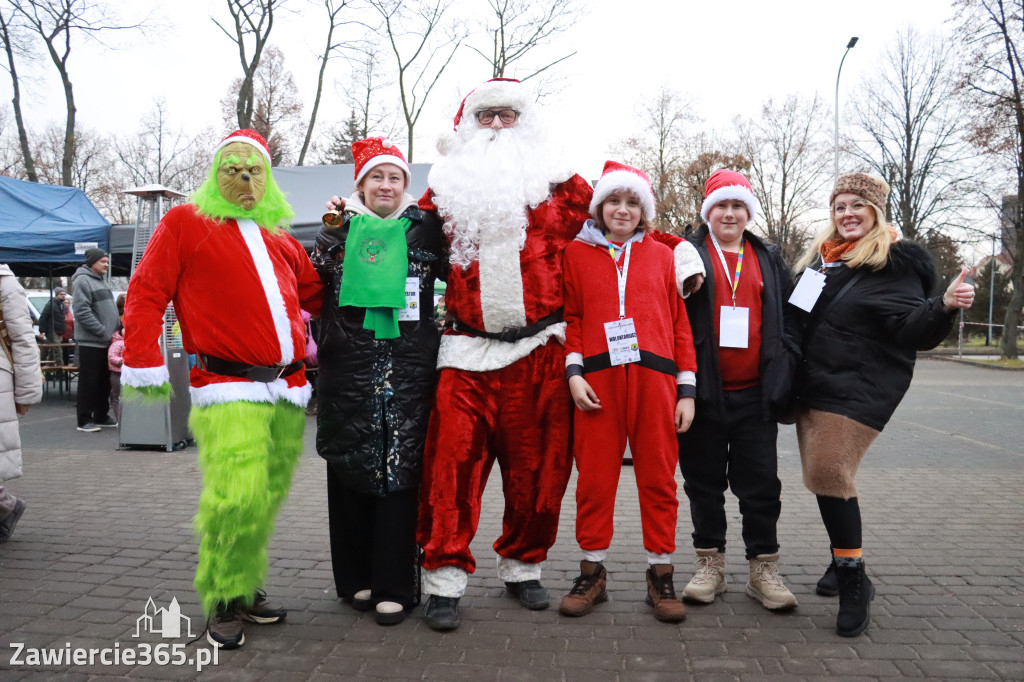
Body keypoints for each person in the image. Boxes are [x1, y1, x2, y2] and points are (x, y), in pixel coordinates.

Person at [412, 78, 704, 631]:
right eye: (488, 115)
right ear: (469, 125)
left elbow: (624, 219)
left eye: (508, 115)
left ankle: (523, 567)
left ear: (527, 123)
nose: (498, 126)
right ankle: (444, 578)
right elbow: (395, 232)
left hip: (542, 352)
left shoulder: (562, 188)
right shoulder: (445, 190)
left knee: (539, 473)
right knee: (451, 470)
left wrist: (680, 252)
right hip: (466, 351)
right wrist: (349, 215)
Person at [121, 129, 323, 650]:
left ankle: (245, 584)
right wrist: (145, 363)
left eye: (255, 170)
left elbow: (317, 294)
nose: (245, 179)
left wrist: (357, 247)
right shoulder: (185, 222)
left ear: (269, 177)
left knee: (267, 497)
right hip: (226, 386)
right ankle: (222, 599)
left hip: (288, 390)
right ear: (216, 174)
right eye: (233, 169)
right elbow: (146, 291)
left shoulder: (278, 236)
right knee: (236, 497)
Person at [789, 172, 975, 637]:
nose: (847, 214)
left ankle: (855, 579)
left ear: (875, 212)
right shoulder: (821, 263)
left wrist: (944, 306)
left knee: (830, 472)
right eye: (839, 206)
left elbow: (911, 326)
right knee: (824, 476)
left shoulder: (893, 262)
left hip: (858, 388)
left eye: (857, 205)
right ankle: (841, 560)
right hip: (813, 386)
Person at [312, 137, 445, 626]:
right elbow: (313, 285)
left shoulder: (427, 231)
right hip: (348, 370)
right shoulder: (335, 232)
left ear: (405, 186)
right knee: (350, 468)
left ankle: (395, 584)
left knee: (401, 473)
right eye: (377, 177)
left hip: (410, 371)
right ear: (361, 186)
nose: (386, 185)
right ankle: (357, 580)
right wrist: (343, 225)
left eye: (395, 177)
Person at [558, 162, 696, 623]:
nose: (622, 209)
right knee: (595, 479)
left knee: (658, 479)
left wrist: (686, 390)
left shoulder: (663, 255)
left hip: (655, 381)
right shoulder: (575, 255)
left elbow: (680, 325)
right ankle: (591, 572)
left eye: (632, 202)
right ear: (599, 207)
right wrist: (574, 373)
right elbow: (572, 318)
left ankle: (660, 575)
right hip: (597, 382)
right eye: (613, 201)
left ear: (644, 210)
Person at [673, 169, 800, 612]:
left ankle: (763, 569)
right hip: (701, 395)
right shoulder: (686, 254)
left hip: (755, 395)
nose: (729, 213)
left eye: (737, 206)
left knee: (761, 487)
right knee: (703, 485)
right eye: (721, 206)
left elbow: (794, 314)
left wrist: (788, 364)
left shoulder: (767, 256)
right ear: (708, 212)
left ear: (748, 212)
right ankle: (710, 565)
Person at [0, 264, 43, 543]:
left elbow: (23, 339)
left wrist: (26, 393)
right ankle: (6, 506)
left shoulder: (5, 282)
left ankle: (6, 507)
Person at [71, 248, 119, 433]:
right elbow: (81, 311)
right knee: (88, 382)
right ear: (92, 262)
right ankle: (84, 420)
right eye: (102, 261)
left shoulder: (101, 281)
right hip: (91, 342)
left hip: (106, 341)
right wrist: (101, 330)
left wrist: (116, 328)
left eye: (107, 261)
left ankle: (101, 416)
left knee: (103, 382)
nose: (106, 264)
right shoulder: (83, 280)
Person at [37, 287, 67, 365]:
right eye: (61, 294)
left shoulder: (62, 305)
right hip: (51, 330)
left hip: (59, 330)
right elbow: (43, 317)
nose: (63, 296)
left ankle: (50, 368)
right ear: (56, 295)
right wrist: (42, 331)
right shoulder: (50, 305)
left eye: (64, 294)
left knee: (52, 350)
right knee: (57, 350)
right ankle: (60, 369)